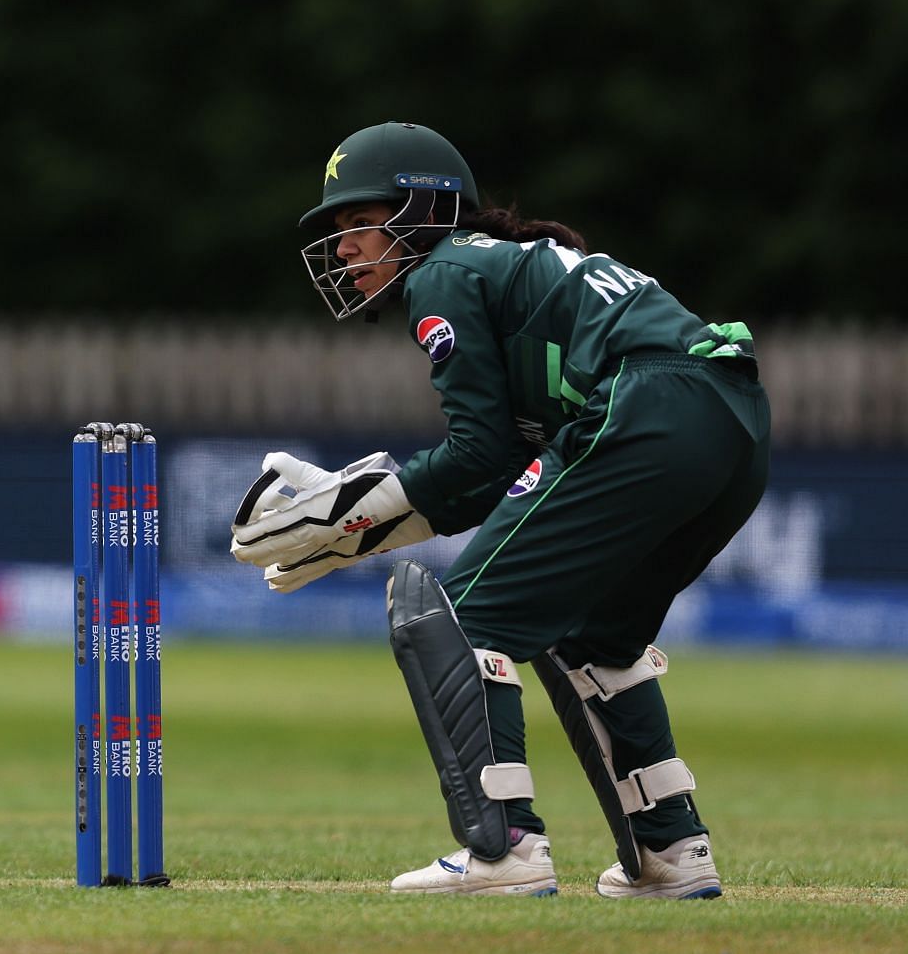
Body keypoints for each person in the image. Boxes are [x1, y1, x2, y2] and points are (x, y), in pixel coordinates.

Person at [229, 121, 768, 899]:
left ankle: (503, 850)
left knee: (458, 612)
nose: (343, 249)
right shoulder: (503, 264)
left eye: (357, 223)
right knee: (597, 633)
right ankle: (672, 853)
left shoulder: (443, 272)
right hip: (734, 418)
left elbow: (478, 452)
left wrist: (345, 516)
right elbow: (498, 471)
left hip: (647, 402)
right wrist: (358, 531)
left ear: (421, 209)